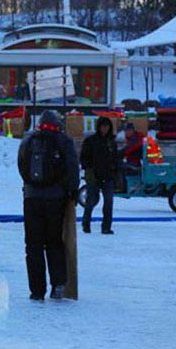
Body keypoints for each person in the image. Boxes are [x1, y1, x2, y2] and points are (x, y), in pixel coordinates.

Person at [18, 110, 79, 301]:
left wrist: (31, 186)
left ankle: (37, 290)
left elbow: (21, 165)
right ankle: (58, 284)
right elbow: (72, 167)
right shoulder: (63, 141)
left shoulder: (28, 141)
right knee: (54, 241)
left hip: (31, 198)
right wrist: (71, 190)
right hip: (55, 199)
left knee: (33, 244)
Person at [80, 117, 118, 234]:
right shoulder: (91, 141)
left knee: (108, 202)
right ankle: (86, 224)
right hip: (94, 175)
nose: (105, 128)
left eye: (107, 126)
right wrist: (89, 170)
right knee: (91, 201)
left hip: (108, 176)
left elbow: (115, 158)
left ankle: (106, 227)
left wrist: (115, 171)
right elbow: (84, 158)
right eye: (103, 126)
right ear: (99, 127)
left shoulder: (111, 142)